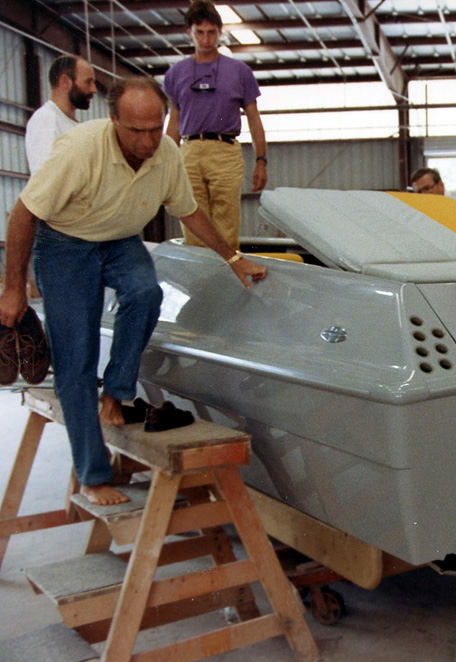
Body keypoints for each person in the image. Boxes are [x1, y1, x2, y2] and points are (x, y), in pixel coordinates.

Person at [0, 76, 268, 506]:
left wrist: (233, 259)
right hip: (66, 245)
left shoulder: (166, 154)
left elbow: (191, 211)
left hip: (121, 240)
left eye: (154, 128)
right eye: (135, 130)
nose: (147, 141)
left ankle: (117, 392)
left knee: (145, 293)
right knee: (76, 361)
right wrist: (13, 289)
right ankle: (93, 475)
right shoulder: (80, 151)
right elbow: (22, 214)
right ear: (112, 120)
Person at [163, 0, 268, 250]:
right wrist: (165, 161)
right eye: (200, 32)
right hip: (189, 150)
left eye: (211, 32)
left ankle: (229, 282)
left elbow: (254, 117)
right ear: (190, 32)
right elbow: (174, 120)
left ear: (220, 33)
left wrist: (261, 160)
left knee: (226, 226)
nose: (206, 39)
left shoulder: (239, 71)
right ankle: (200, 286)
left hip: (225, 151)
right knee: (191, 221)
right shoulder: (176, 74)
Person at [25, 54, 98, 174]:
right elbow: (46, 176)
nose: (94, 89)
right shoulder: (46, 118)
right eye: (88, 82)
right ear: (65, 82)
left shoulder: (70, 123)